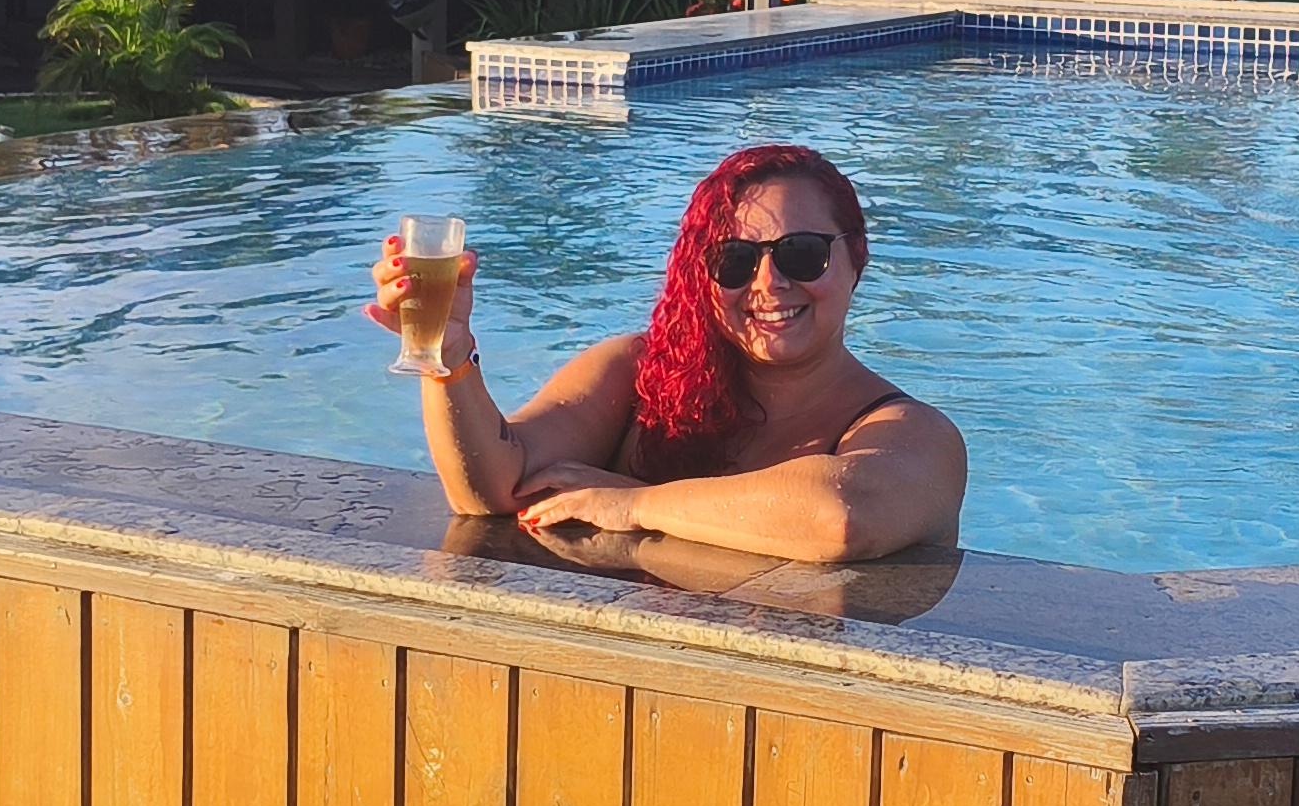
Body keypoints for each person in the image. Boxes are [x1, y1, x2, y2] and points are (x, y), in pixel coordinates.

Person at [369, 141, 966, 564]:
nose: (769, 283)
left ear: (856, 258)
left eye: (802, 253)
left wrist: (633, 503)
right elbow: (493, 489)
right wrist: (448, 359)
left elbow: (840, 516)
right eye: (734, 261)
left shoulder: (915, 434)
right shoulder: (637, 374)